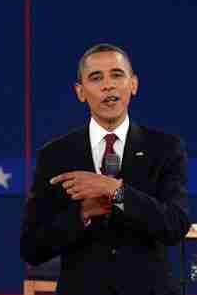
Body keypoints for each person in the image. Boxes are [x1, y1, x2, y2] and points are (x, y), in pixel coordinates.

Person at [20, 43, 190, 295]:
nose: (108, 85)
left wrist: (116, 191)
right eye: (96, 77)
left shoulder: (165, 148)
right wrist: (82, 214)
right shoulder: (55, 155)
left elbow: (175, 226)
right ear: (80, 91)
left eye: (117, 75)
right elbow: (32, 248)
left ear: (133, 84)